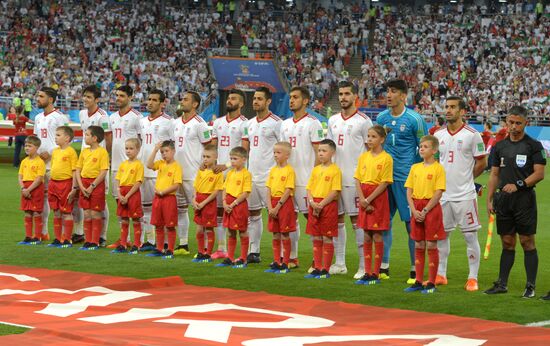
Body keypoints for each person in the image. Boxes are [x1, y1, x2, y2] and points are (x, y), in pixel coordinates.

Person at [484, 106, 546, 299]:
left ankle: (530, 286)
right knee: (507, 241)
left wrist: (519, 185)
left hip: (524, 200)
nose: (513, 126)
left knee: (527, 241)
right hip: (503, 200)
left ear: (526, 123)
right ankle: (502, 284)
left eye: (518, 123)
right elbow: (494, 174)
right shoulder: (499, 146)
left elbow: (539, 174)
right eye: (510, 122)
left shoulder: (534, 146)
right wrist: (490, 199)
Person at [375, 79, 428, 283]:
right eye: (387, 91)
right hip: (385, 180)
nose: (389, 95)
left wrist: (417, 173)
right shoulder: (381, 117)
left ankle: (415, 268)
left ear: (403, 96)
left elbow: (425, 147)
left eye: (393, 91)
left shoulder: (414, 119)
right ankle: (384, 266)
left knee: (410, 224)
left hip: (405, 180)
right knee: (383, 223)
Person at [434, 96, 487, 291]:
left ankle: (473, 277)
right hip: (443, 195)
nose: (448, 110)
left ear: (463, 111)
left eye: (453, 107)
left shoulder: (473, 135)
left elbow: (482, 161)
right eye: (446, 107)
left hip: (465, 195)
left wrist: (468, 180)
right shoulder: (438, 135)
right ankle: (441, 273)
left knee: (470, 236)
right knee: (442, 236)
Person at [326, 81, 372, 278]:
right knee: (336, 221)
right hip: (335, 178)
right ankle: (340, 263)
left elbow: (371, 150)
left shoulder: (364, 121)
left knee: (357, 222)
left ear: (355, 97)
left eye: (347, 94)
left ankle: (363, 266)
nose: (343, 97)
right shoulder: (332, 120)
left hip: (354, 179)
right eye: (341, 94)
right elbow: (328, 148)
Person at [280, 86, 325, 269]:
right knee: (290, 220)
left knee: (313, 220)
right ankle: (292, 257)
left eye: (296, 97)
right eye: (290, 97)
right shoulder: (285, 124)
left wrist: (314, 179)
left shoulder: (313, 123)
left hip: (306, 179)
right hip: (288, 180)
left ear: (305, 101)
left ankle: (319, 258)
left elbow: (319, 153)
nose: (291, 100)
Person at [244, 87, 282, 264]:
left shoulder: (277, 123)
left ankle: (284, 255)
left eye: (260, 98)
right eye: (254, 98)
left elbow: (284, 149)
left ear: (268, 101)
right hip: (252, 175)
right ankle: (254, 251)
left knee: (277, 215)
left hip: (270, 177)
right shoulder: (249, 123)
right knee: (253, 214)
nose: (256, 101)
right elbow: (247, 150)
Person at [404, 135, 446, 294]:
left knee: (431, 244)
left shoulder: (438, 168)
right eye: (420, 146)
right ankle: (418, 281)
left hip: (431, 208)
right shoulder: (415, 167)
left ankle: (431, 283)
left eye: (425, 146)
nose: (421, 149)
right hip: (416, 207)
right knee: (418, 244)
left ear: (434, 150)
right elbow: (409, 191)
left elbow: (438, 192)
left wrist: (425, 210)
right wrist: (414, 210)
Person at [210, 89, 249, 259]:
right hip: (218, 171)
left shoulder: (245, 124)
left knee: (239, 212)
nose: (229, 101)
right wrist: (210, 164)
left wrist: (226, 165)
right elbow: (212, 147)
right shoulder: (217, 122)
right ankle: (221, 248)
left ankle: (248, 251)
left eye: (233, 99)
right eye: (229, 98)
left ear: (241, 104)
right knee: (220, 210)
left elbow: (244, 150)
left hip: (234, 173)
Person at [173, 91, 212, 256]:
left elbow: (209, 147)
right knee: (180, 209)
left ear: (195, 104)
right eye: (182, 99)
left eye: (186, 99)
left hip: (194, 174)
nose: (182, 101)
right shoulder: (174, 123)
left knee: (199, 210)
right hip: (176, 175)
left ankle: (204, 249)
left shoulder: (200, 124)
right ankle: (183, 245)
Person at [354, 125, 393, 285]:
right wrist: (362, 198)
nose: (369, 139)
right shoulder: (363, 157)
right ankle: (367, 271)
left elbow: (384, 182)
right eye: (368, 136)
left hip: (377, 197)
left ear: (382, 139)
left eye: (373, 137)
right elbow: (357, 179)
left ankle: (376, 273)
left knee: (377, 234)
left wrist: (368, 200)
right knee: (366, 234)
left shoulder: (386, 158)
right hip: (364, 195)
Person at [105, 85, 144, 247]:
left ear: (130, 97)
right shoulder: (112, 117)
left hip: (132, 169)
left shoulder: (137, 117)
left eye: (121, 95)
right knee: (119, 202)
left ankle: (139, 241)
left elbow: (142, 140)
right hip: (116, 166)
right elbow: (109, 139)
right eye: (117, 95)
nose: (118, 98)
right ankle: (124, 239)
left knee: (136, 206)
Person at [33, 87, 70, 242]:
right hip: (40, 163)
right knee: (41, 198)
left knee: (58, 200)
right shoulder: (38, 117)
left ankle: (64, 235)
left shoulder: (60, 117)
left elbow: (67, 141)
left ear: (51, 99)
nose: (38, 99)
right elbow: (35, 138)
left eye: (41, 96)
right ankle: (43, 231)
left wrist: (50, 151)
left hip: (55, 163)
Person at [140, 90, 174, 252]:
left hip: (160, 172)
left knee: (163, 209)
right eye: (149, 99)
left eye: (154, 100)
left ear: (162, 104)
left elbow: (174, 147)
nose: (150, 102)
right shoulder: (142, 121)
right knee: (147, 207)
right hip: (145, 170)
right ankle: (151, 240)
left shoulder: (169, 122)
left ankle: (167, 242)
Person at [78, 85, 112, 247]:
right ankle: (88, 236)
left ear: (97, 100)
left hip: (99, 162)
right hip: (85, 162)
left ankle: (102, 236)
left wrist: (108, 154)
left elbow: (108, 137)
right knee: (86, 204)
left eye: (89, 97)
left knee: (100, 203)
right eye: (84, 96)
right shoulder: (82, 113)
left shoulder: (103, 116)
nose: (85, 99)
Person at [304, 139, 342, 279]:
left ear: (332, 152)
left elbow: (335, 191)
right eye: (319, 151)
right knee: (316, 236)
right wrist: (312, 202)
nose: (320, 153)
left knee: (327, 237)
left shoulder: (335, 170)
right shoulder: (315, 169)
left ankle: (325, 269)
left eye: (324, 151)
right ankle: (317, 267)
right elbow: (309, 188)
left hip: (328, 205)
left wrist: (322, 204)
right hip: (314, 204)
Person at [146, 140, 183, 259]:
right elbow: (149, 165)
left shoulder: (176, 166)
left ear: (173, 151)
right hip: (158, 198)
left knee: (170, 225)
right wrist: (155, 150)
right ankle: (159, 248)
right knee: (158, 224)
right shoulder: (161, 163)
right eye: (162, 152)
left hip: (168, 198)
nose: (164, 154)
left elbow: (176, 185)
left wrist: (163, 192)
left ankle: (170, 250)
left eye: (166, 151)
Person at [216, 146, 252, 268]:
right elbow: (224, 188)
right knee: (230, 232)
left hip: (239, 205)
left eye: (235, 159)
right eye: (231, 159)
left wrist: (233, 204)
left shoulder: (246, 174)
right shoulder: (230, 173)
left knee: (242, 232)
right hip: (228, 205)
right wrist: (224, 202)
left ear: (243, 159)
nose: (232, 161)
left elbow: (246, 193)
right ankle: (230, 258)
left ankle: (243, 258)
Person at [265, 142, 296, 274]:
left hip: (284, 204)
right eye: (274, 152)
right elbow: (268, 188)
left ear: (287, 155)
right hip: (273, 203)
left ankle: (286, 262)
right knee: (275, 233)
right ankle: (277, 261)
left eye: (278, 152)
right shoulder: (273, 170)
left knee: (285, 233)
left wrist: (277, 206)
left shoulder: (289, 170)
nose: (275, 155)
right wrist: (270, 206)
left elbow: (288, 190)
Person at [76, 126, 109, 250]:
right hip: (84, 183)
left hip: (96, 185)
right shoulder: (84, 151)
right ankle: (88, 240)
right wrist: (80, 185)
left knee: (95, 213)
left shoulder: (102, 152)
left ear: (94, 138)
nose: (85, 137)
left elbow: (103, 171)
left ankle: (95, 241)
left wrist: (92, 186)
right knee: (87, 213)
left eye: (87, 135)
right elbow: (78, 169)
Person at [192, 144, 224, 263]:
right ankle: (200, 252)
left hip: (209, 202)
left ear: (215, 157)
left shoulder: (218, 173)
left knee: (209, 228)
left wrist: (204, 202)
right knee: (199, 229)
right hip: (199, 200)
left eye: (208, 156)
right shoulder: (201, 170)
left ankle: (208, 253)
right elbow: (195, 186)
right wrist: (194, 199)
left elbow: (216, 192)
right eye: (204, 156)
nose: (205, 159)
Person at [47, 126, 78, 248]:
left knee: (66, 212)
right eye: (55, 135)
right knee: (56, 212)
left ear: (67, 138)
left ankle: (67, 239)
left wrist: (74, 188)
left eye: (58, 135)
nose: (55, 137)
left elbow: (75, 170)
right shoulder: (55, 151)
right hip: (53, 184)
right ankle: (58, 238)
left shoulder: (71, 152)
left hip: (65, 184)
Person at [113, 138, 144, 255]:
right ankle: (123, 244)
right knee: (124, 219)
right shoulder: (123, 164)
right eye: (126, 148)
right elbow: (118, 180)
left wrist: (128, 195)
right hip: (123, 193)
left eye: (131, 148)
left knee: (136, 219)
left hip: (133, 193)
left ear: (138, 150)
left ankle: (137, 244)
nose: (128, 151)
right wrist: (119, 194)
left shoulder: (139, 165)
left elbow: (138, 182)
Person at [17, 136, 46, 245]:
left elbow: (39, 179)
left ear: (37, 147)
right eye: (26, 146)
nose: (27, 148)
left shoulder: (40, 162)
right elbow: (20, 175)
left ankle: (37, 237)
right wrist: (23, 188)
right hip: (25, 188)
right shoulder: (24, 161)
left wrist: (28, 189)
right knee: (27, 212)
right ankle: (28, 237)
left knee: (36, 212)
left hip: (35, 188)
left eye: (30, 146)